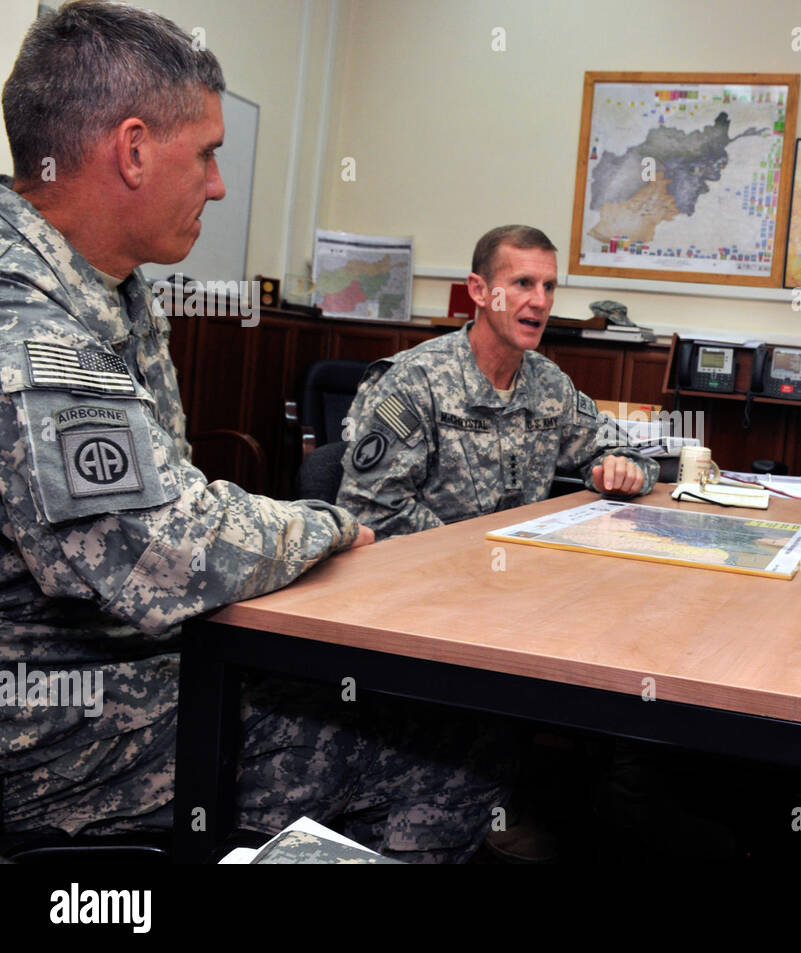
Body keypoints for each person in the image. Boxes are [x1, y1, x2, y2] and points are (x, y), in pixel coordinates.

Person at [0, 1, 509, 862]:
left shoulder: (108, 287)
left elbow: (171, 503)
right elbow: (164, 554)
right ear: (130, 150)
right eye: (205, 154)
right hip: (50, 720)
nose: (218, 184)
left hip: (126, 657)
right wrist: (329, 526)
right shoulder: (30, 324)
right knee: (444, 748)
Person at [336, 225, 658, 539]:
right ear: (479, 291)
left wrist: (623, 470)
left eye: (549, 287)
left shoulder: (549, 383)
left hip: (517, 569)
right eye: (523, 283)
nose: (541, 301)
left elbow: (626, 454)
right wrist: (471, 550)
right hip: (431, 573)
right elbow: (370, 509)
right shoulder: (413, 381)